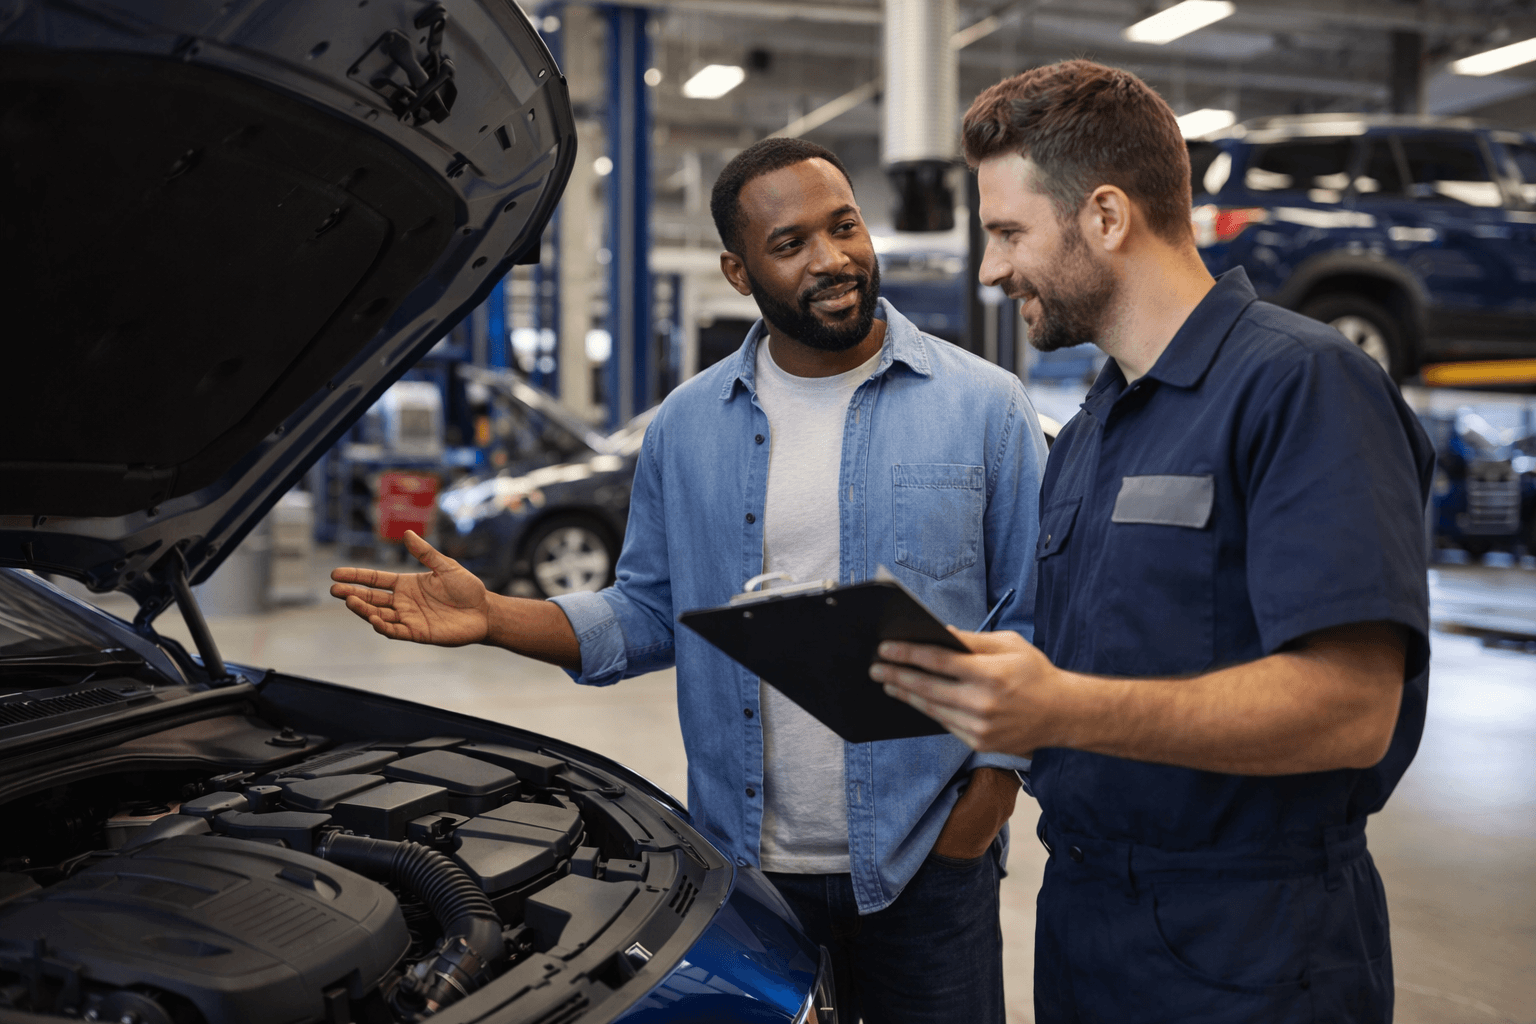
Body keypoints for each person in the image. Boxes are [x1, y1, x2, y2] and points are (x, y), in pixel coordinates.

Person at [329, 137, 1048, 1024]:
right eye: (790, 244)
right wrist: (495, 618)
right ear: (738, 273)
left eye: (844, 225)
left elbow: (1038, 624)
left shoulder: (984, 406)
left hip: (924, 869)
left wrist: (973, 827)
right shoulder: (687, 425)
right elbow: (649, 612)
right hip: (748, 872)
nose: (832, 259)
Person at [873, 62, 1435, 1024]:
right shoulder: (1094, 427)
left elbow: (1353, 710)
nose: (989, 269)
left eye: (1008, 232)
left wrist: (1064, 708)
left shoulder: (1302, 385)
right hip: (1088, 924)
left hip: (1255, 943)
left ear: (1104, 216)